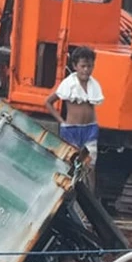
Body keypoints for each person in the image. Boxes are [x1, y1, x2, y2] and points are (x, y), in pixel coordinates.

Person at [46, 46, 103, 180]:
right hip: (71, 129)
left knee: (90, 165)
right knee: (68, 164)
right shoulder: (68, 84)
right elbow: (48, 102)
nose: (86, 70)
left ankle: (90, 192)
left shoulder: (94, 85)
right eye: (83, 66)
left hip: (90, 129)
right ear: (75, 66)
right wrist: (62, 122)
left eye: (89, 66)